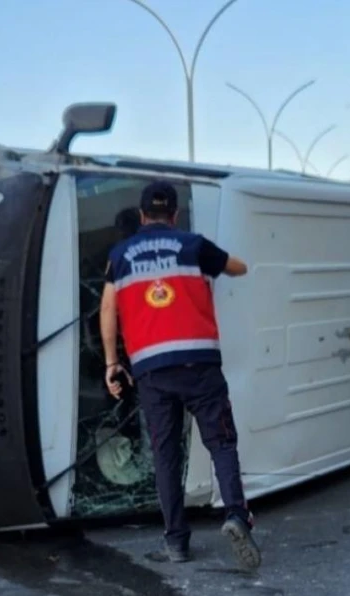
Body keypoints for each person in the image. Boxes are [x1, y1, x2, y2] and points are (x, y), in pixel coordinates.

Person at [99, 180, 261, 569]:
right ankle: (237, 516)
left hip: (152, 371)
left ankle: (176, 542)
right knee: (221, 443)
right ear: (174, 215)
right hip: (199, 364)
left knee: (166, 455)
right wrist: (215, 266)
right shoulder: (192, 245)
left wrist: (111, 363)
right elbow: (238, 267)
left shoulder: (120, 255)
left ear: (141, 216)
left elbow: (108, 308)